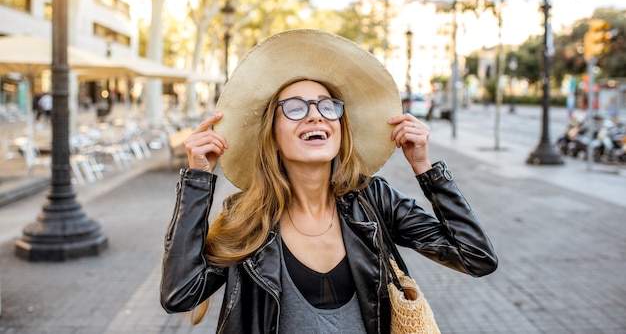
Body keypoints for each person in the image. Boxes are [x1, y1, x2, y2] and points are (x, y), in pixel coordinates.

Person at [160, 29, 498, 333]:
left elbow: (476, 257)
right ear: (272, 134)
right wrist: (197, 180)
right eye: (294, 108)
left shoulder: (373, 199)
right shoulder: (246, 215)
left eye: (327, 106)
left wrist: (426, 168)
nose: (315, 114)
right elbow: (180, 295)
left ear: (340, 127)